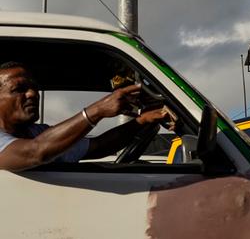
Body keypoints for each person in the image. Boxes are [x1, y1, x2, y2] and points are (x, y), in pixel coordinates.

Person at [0, 61, 174, 171]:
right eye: (19, 89)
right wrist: (97, 110)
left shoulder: (37, 133)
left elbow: (98, 146)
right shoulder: (31, 142)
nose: (32, 94)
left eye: (33, 87)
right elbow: (34, 152)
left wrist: (141, 121)